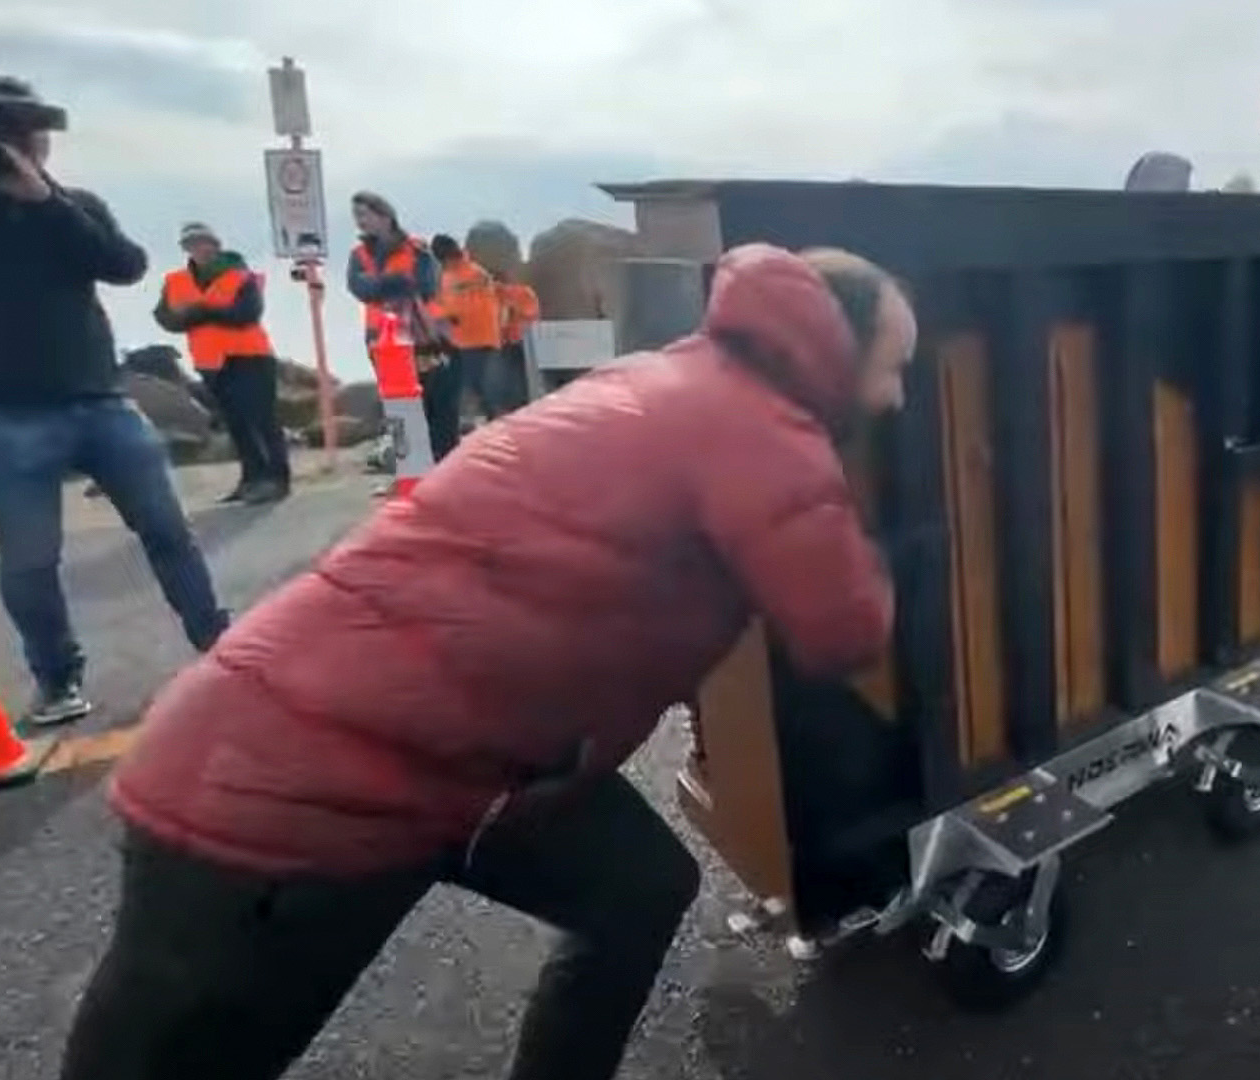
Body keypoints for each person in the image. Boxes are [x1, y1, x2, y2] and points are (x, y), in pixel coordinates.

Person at [56, 243, 915, 1080]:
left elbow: (631, 575)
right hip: (287, 795)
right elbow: (846, 629)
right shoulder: (762, 435)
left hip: (453, 757)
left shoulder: (658, 379)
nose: (899, 395)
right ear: (836, 352)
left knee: (635, 889)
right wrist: (900, 551)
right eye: (893, 367)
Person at [0, 73, 228, 727]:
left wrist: (43, 200)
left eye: (34, 139)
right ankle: (57, 679)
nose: (30, 149)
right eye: (12, 138)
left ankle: (219, 643)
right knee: (29, 558)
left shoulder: (71, 204)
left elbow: (124, 264)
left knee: (167, 529)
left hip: (100, 401)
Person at [152, 223, 291, 505]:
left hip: (249, 356)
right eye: (191, 244)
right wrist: (202, 315)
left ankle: (276, 479)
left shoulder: (240, 276)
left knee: (261, 419)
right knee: (236, 423)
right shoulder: (175, 281)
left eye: (203, 242)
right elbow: (165, 317)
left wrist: (200, 311)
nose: (198, 249)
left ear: (215, 245)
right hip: (210, 362)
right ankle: (251, 478)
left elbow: (246, 314)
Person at [344, 192, 452, 461]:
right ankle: (409, 468)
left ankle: (441, 463)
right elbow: (360, 289)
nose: (360, 222)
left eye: (364, 214)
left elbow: (426, 285)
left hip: (421, 337)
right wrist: (396, 282)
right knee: (397, 406)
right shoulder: (358, 255)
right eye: (356, 216)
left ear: (385, 215)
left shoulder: (416, 248)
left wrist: (381, 284)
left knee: (434, 403)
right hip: (380, 338)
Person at [429, 233, 507, 422]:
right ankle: (493, 420)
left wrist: (431, 313)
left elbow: (452, 309)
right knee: (481, 385)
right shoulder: (477, 271)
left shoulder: (452, 277)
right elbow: (494, 302)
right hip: (487, 336)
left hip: (468, 339)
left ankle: (492, 422)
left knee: (471, 386)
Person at [495, 268, 541, 412]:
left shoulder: (522, 293)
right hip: (503, 345)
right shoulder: (524, 293)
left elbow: (531, 315)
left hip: (517, 344)